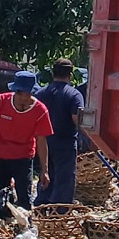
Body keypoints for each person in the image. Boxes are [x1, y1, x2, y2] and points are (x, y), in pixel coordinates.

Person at [0, 71, 52, 209]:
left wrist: (44, 170)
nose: (24, 98)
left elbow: (41, 140)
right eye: (21, 93)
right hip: (0, 155)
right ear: (15, 91)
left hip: (23, 157)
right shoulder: (0, 101)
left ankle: (25, 224)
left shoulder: (40, 110)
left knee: (24, 197)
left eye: (28, 94)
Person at [34, 59, 85, 205]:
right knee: (64, 180)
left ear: (52, 73)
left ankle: (42, 207)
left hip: (44, 142)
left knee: (45, 174)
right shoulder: (74, 95)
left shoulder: (40, 94)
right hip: (65, 143)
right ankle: (60, 213)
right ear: (70, 74)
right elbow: (77, 119)